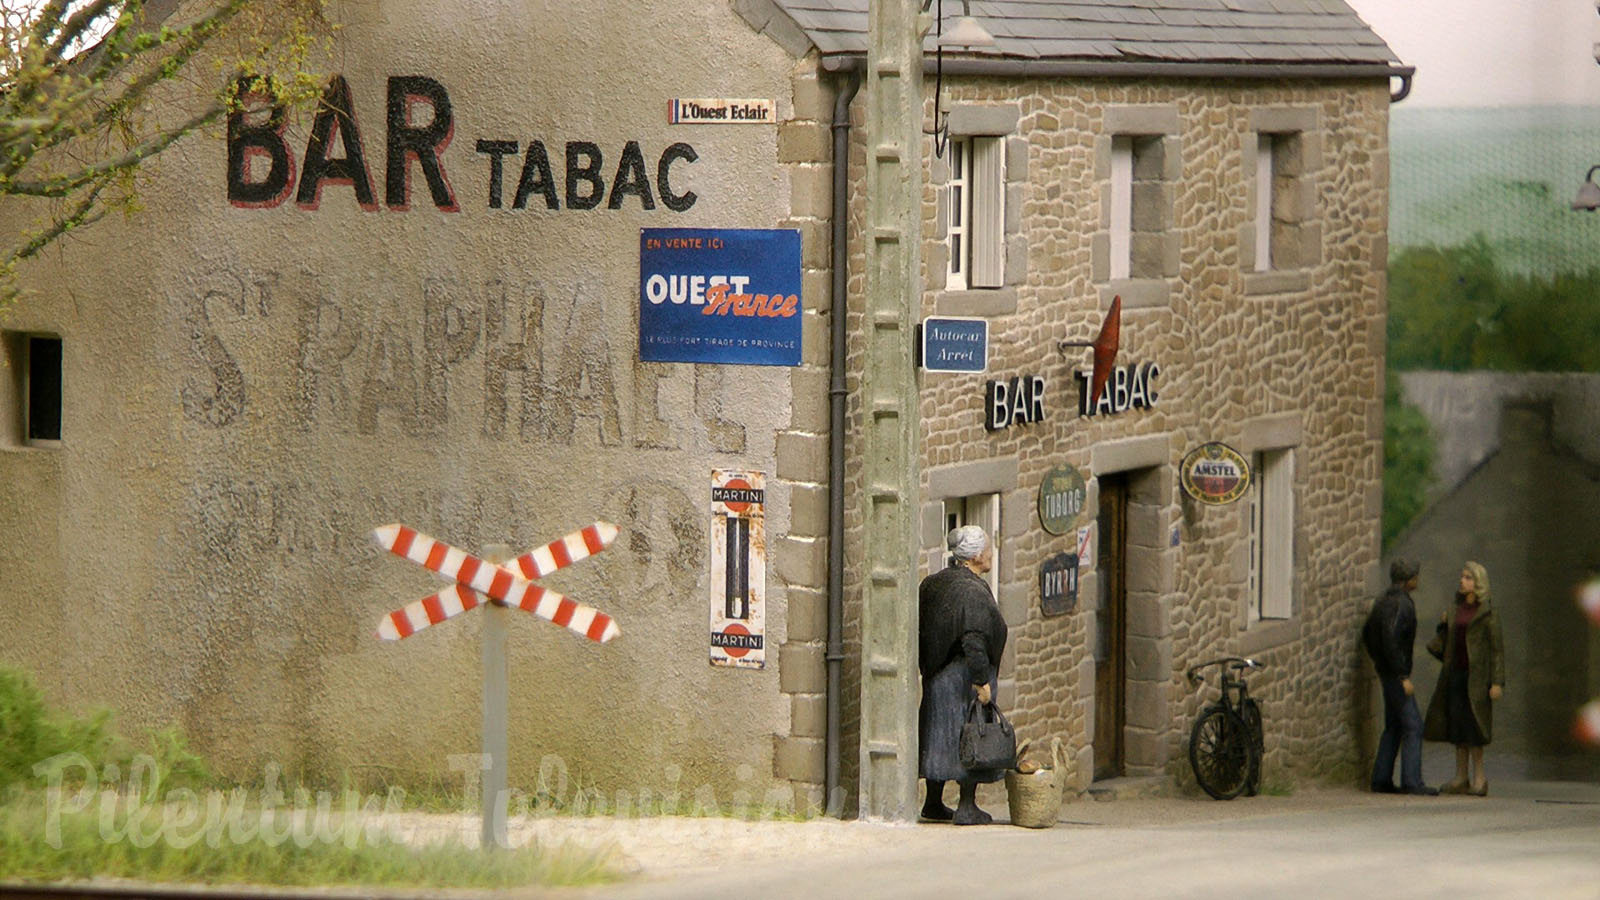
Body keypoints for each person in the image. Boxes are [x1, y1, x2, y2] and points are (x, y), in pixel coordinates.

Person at [917, 525, 1008, 825]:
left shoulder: (933, 583)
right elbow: (974, 639)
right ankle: (967, 805)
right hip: (962, 675)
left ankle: (933, 801)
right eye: (989, 548)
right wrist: (981, 681)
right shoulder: (972, 591)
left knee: (937, 733)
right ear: (977, 556)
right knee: (971, 730)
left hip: (936, 675)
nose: (992, 552)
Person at [1423, 560, 1505, 796]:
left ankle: (1480, 778)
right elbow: (1445, 644)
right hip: (1455, 674)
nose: (1463, 580)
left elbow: (1497, 650)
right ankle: (1461, 776)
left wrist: (1497, 681)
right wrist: (1444, 624)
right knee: (1457, 726)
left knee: (1475, 728)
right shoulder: (1455, 608)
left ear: (1478, 582)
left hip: (1477, 678)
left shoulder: (1488, 613)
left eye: (1468, 577)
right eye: (1462, 576)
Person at [1362, 559, 1436, 795]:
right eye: (1415, 576)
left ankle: (1381, 778)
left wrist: (1379, 662)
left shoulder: (1384, 600)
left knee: (1393, 726)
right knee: (1413, 726)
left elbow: (1368, 635)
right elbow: (1390, 639)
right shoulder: (1401, 604)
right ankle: (1412, 781)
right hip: (1395, 674)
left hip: (1387, 671)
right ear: (1409, 580)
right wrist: (1401, 674)